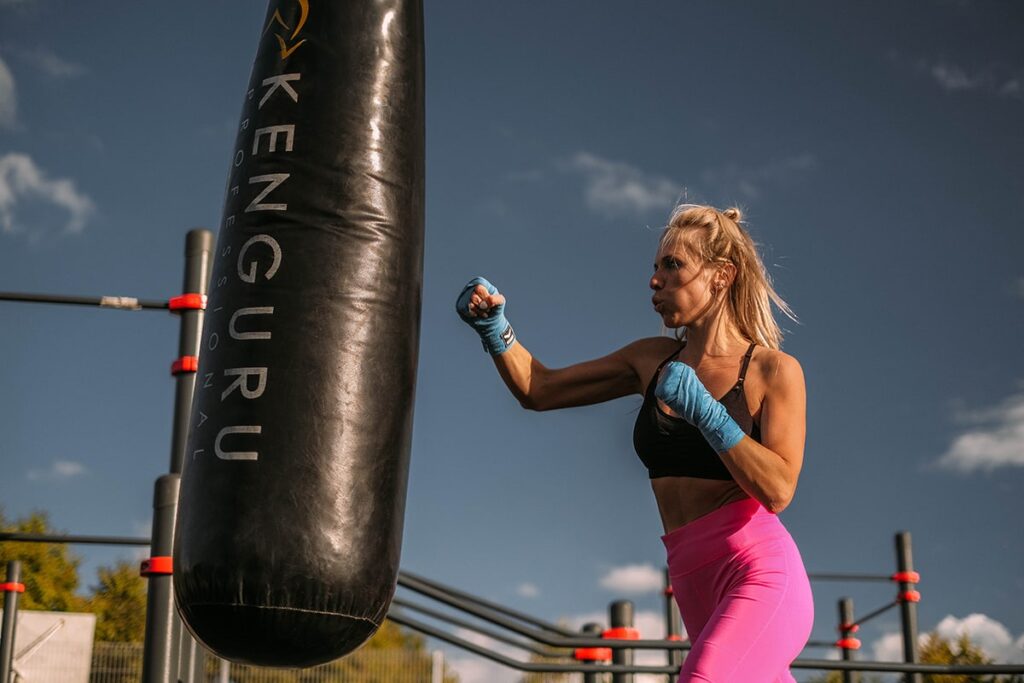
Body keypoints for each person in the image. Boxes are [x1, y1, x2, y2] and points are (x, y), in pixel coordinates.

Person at [455, 203, 813, 682]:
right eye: (654, 267)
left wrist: (710, 415)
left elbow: (779, 489)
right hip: (692, 579)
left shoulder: (773, 370)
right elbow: (540, 389)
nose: (655, 280)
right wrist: (497, 332)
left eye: (673, 265)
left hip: (757, 571)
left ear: (721, 276)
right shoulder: (650, 360)